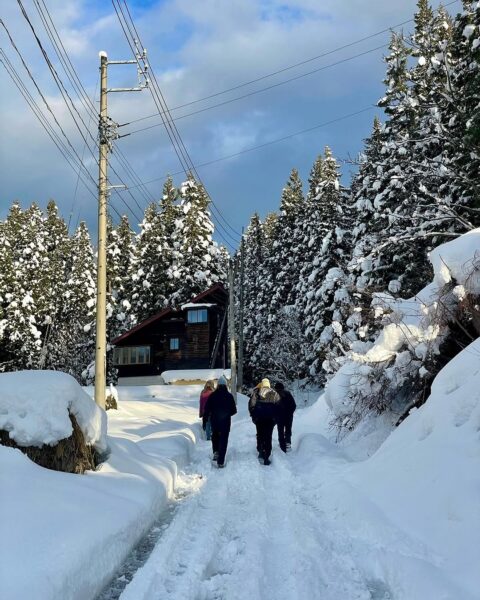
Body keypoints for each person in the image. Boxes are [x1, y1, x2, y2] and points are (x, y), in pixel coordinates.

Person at [203, 375, 237, 468]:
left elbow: (206, 409)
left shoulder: (212, 396)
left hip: (215, 421)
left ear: (218, 385)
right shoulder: (229, 396)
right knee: (224, 440)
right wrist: (227, 414)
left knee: (215, 436)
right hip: (225, 422)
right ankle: (221, 461)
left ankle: (216, 451)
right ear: (226, 385)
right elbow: (234, 410)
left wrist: (205, 420)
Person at [248, 378, 281, 465]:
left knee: (260, 434)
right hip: (270, 419)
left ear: (262, 384)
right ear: (269, 384)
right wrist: (276, 419)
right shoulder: (274, 393)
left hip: (259, 419)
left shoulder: (257, 392)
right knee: (268, 436)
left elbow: (251, 404)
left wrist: (253, 415)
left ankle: (260, 451)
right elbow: (279, 407)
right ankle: (267, 455)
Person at [274, 382, 297, 452]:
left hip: (279, 417)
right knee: (288, 430)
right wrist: (290, 413)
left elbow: (272, 407)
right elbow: (294, 405)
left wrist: (275, 416)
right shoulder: (288, 394)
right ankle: (288, 444)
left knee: (280, 431)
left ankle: (282, 445)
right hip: (288, 417)